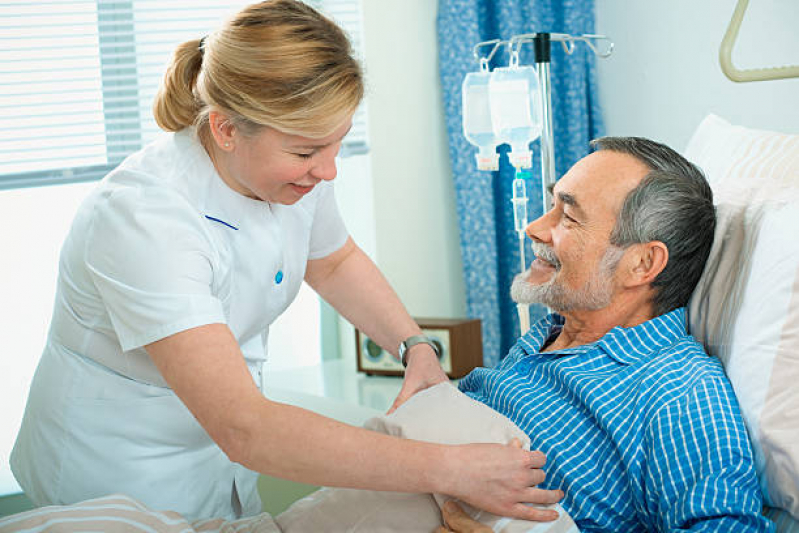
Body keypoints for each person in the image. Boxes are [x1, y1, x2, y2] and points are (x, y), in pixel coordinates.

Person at [9, 0, 562, 523]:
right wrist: (454, 468)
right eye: (305, 152)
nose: (328, 171)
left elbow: (334, 260)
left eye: (337, 144)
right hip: (119, 467)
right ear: (226, 128)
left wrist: (413, 345)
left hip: (223, 454)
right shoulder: (141, 218)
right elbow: (244, 426)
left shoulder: (292, 174)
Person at [440, 137, 774, 532]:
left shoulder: (679, 392)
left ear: (642, 263)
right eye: (552, 207)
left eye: (568, 217)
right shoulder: (548, 336)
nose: (534, 228)